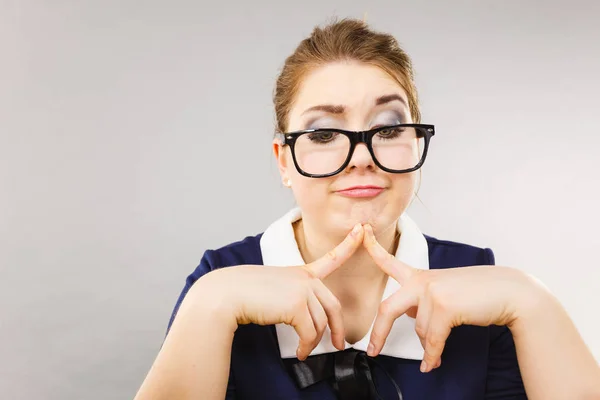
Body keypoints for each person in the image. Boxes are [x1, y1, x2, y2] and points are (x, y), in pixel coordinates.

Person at [134, 18, 600, 400]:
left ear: (417, 142)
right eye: (321, 133)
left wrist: (529, 298)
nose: (361, 157)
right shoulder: (221, 281)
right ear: (284, 161)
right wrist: (210, 304)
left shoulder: (480, 280)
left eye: (389, 127)